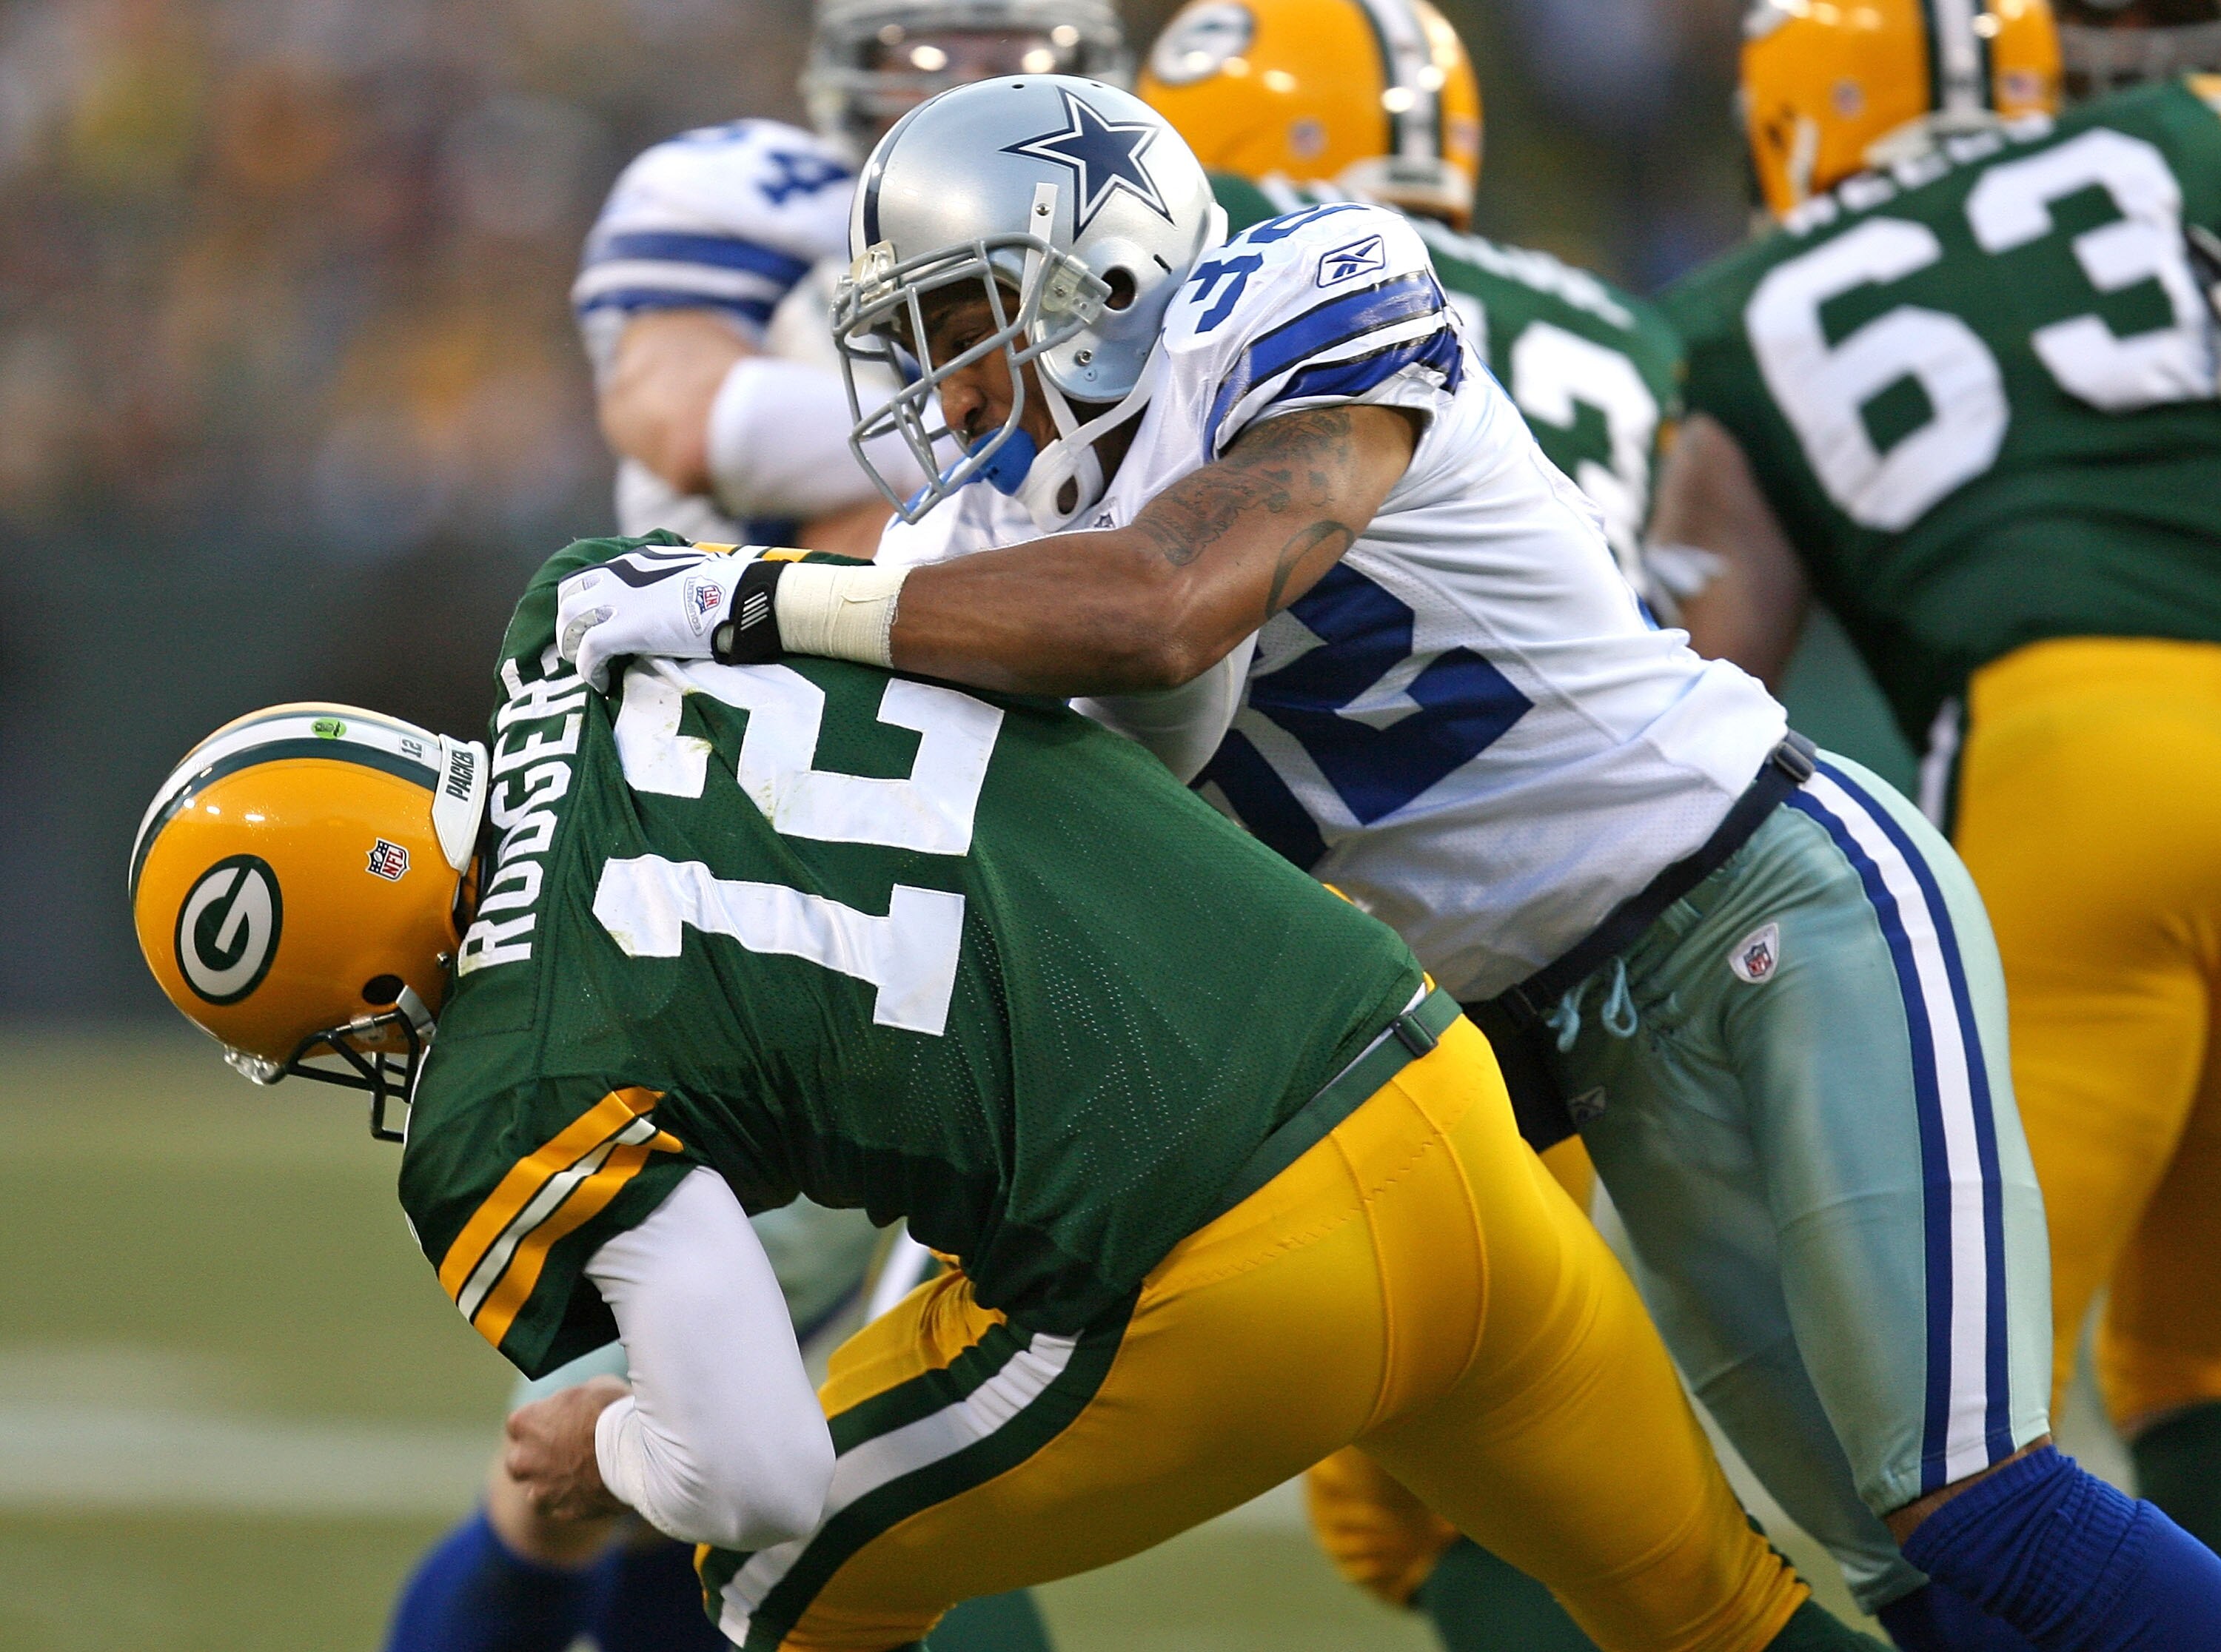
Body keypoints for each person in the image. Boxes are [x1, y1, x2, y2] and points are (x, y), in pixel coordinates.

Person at [560, 70, 2221, 1651]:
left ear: (1103, 275)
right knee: (1896, 1553)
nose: (942, 386)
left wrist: (758, 595)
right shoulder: (975, 541)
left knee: (1976, 1498)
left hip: (1762, 889)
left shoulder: (1297, 294)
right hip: (1573, 1041)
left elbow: (1164, 607)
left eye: (956, 319)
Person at [127, 542, 1892, 1652]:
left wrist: (607, 1446)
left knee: (778, 1585)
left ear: (359, 982)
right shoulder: (600, 624)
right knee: (1715, 1614)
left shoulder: (509, 1084)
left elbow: (758, 1470)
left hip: (1216, 1260)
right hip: (1424, 1078)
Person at [384, 7, 1130, 1647]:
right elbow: (688, 420)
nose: (960, 77)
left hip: (984, 857)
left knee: (921, 1413)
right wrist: (1009, 390)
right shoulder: (740, 191)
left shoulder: (1120, 230)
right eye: (929, 43)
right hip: (734, 853)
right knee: (598, 1461)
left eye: (1003, 42)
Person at [1650, 0, 2221, 1633]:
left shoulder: (1738, 314)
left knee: (1955, 1450)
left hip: (2072, 772)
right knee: (2196, 1347)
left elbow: (1705, 687)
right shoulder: (2183, 132)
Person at [1138, 3, 1677, 1645]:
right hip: (1598, 883)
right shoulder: (1614, 326)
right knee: (1494, 1468)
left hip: (1364, 921)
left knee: (1469, 1478)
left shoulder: (1244, 294)